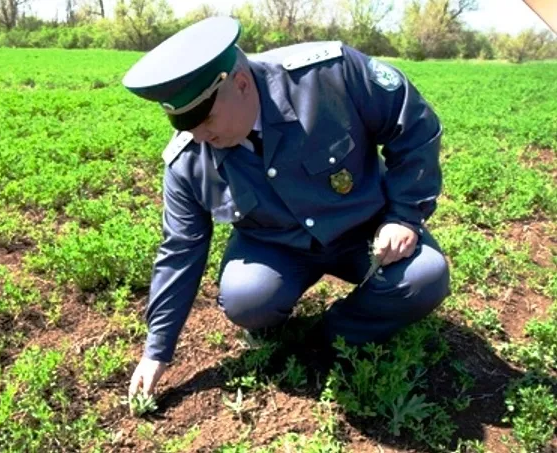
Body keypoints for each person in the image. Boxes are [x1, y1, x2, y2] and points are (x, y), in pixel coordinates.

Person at [122, 16, 450, 399]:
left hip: (365, 227)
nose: (199, 136)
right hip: (277, 244)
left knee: (424, 276)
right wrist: (156, 350)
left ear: (241, 84)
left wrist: (404, 216)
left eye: (207, 119)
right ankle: (277, 324)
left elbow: (412, 124)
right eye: (186, 127)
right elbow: (180, 248)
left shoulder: (330, 75)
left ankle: (335, 333)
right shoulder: (188, 158)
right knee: (247, 299)